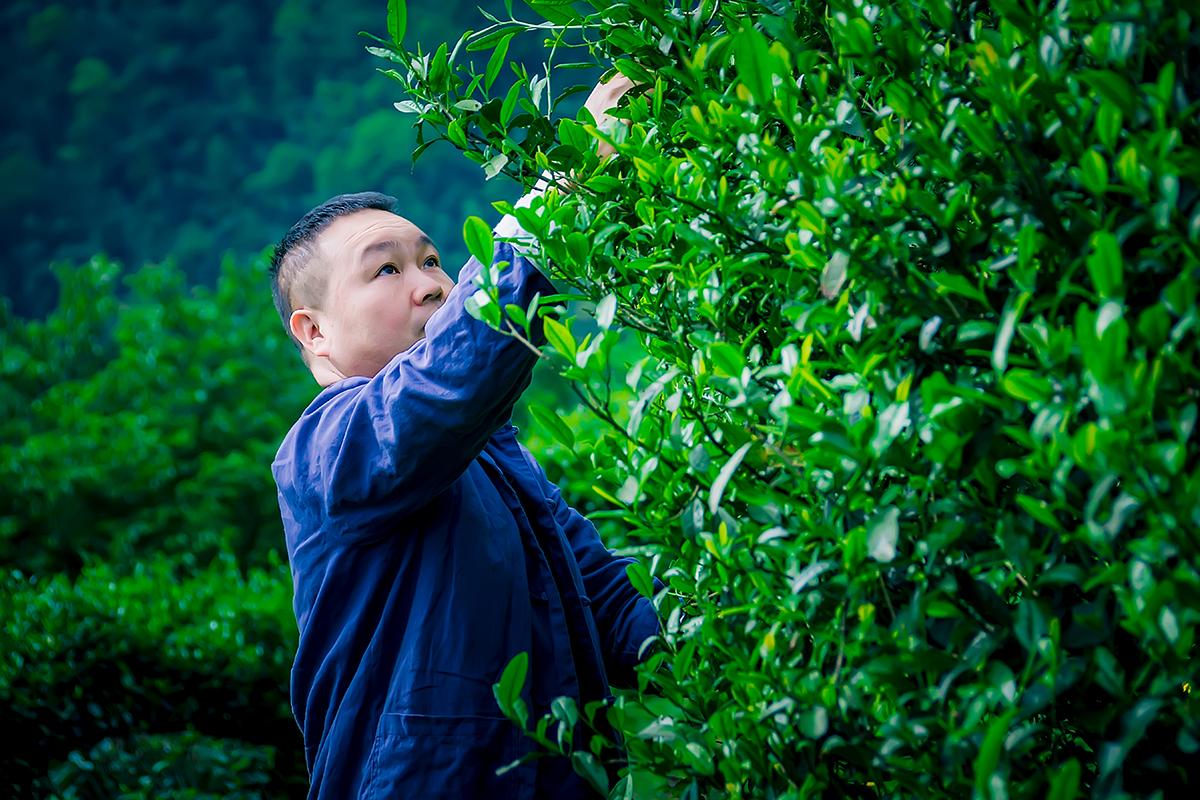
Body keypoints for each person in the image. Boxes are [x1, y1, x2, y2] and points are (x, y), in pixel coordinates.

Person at [268, 75, 660, 800]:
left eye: (430, 261)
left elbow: (612, 604)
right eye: (386, 269)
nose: (430, 284)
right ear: (314, 331)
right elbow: (453, 374)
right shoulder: (326, 450)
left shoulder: (496, 461)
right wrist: (571, 177)